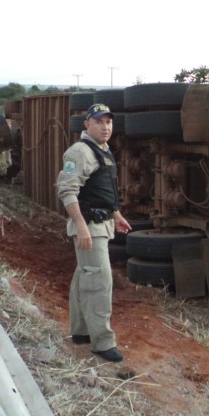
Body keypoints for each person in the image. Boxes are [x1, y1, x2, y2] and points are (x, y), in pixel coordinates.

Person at [56, 103, 131, 362]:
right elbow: (67, 190)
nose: (105, 127)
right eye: (99, 122)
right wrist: (80, 226)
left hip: (103, 224)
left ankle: (81, 331)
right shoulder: (79, 152)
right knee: (99, 283)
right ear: (87, 124)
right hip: (88, 226)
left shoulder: (104, 151)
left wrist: (116, 214)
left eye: (108, 122)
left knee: (84, 277)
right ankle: (102, 343)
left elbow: (104, 189)